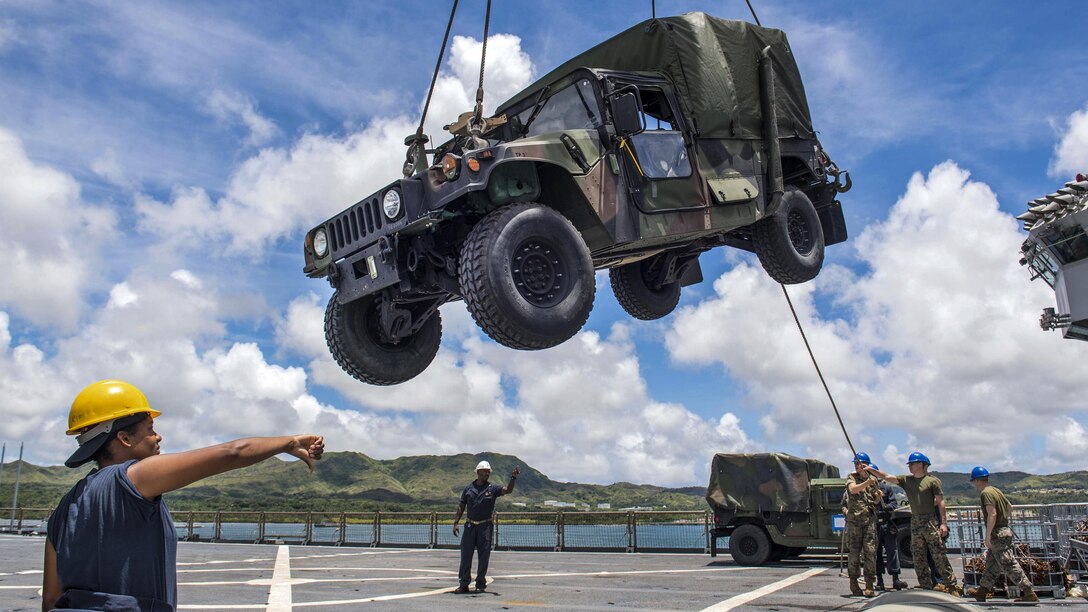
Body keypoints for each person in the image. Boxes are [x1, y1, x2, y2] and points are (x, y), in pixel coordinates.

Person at [42, 380, 324, 612]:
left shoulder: (65, 508)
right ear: (124, 439)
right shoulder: (132, 479)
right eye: (150, 430)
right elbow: (232, 453)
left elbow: (51, 598)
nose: (158, 437)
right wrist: (287, 442)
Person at [867, 452, 962, 596]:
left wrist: (943, 523)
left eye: (912, 464)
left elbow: (941, 502)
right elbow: (886, 476)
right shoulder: (907, 480)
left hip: (930, 520)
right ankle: (926, 585)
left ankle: (951, 585)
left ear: (921, 465)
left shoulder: (932, 481)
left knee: (938, 554)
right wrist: (870, 470)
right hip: (915, 521)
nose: (910, 466)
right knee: (918, 555)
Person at [965, 466, 1037, 603]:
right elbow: (1010, 507)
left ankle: (1028, 591)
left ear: (977, 480)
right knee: (992, 564)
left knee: (1008, 563)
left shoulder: (986, 493)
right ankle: (982, 592)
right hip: (1004, 530)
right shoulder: (996, 490)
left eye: (974, 482)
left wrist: (988, 535)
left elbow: (992, 514)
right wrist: (1003, 521)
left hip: (997, 533)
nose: (974, 485)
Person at [452, 460, 519, 594]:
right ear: (478, 472)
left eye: (488, 472)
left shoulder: (493, 489)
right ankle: (464, 583)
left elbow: (508, 490)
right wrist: (455, 523)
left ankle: (480, 584)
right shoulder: (468, 489)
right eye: (484, 471)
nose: (487, 474)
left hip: (485, 527)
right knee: (465, 556)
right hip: (470, 526)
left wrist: (513, 478)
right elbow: (461, 506)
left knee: (484, 557)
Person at [843, 452, 880, 597]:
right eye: (856, 464)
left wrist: (877, 496)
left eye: (861, 464)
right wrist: (866, 483)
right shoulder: (851, 477)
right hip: (854, 522)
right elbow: (853, 489)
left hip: (869, 521)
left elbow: (876, 502)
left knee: (870, 553)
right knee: (854, 554)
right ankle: (854, 582)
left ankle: (869, 583)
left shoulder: (873, 479)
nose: (858, 466)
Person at [872, 464, 908, 591]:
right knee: (876, 554)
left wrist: (887, 507)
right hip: (874, 525)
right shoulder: (866, 490)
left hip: (887, 523)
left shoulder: (887, 488)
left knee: (892, 551)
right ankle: (879, 580)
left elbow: (894, 503)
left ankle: (895, 578)